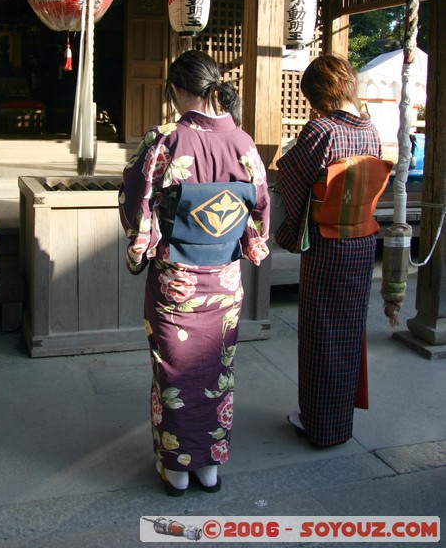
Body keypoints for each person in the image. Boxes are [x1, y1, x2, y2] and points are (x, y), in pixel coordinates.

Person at [119, 50, 270, 495]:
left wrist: (142, 242)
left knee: (175, 369)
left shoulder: (165, 140)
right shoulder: (243, 141)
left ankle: (177, 468)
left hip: (177, 279)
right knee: (217, 369)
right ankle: (209, 467)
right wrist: (246, 242)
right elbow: (259, 208)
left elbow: (135, 200)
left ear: (176, 90)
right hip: (224, 278)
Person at [275, 54, 392, 448]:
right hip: (362, 242)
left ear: (318, 95)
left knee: (320, 333)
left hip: (328, 243)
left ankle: (318, 424)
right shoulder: (371, 131)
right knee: (347, 331)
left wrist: (290, 232)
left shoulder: (321, 131)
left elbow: (290, 173)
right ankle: (340, 422)